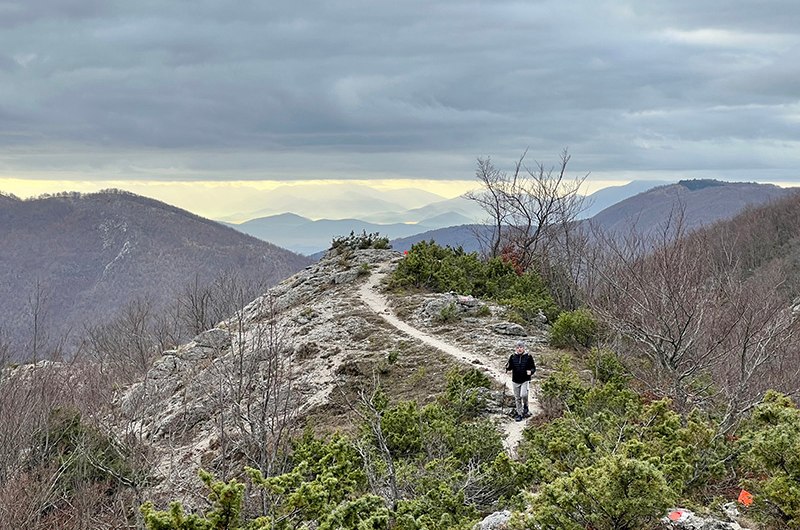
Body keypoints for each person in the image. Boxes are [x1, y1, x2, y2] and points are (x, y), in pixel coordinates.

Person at [505, 340, 536, 421]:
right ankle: (519, 414)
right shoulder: (512, 357)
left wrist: (531, 371)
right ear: (516, 348)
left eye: (521, 347)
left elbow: (533, 368)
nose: (519, 349)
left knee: (523, 394)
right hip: (515, 380)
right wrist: (507, 367)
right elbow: (510, 367)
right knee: (517, 398)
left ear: (524, 348)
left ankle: (526, 406)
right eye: (518, 347)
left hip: (525, 380)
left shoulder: (529, 357)